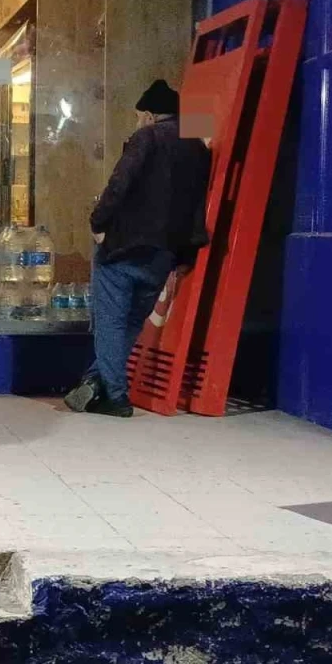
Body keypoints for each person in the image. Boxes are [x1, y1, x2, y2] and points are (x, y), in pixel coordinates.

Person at [64, 79, 212, 418]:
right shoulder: (198, 147)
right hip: (164, 254)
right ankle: (94, 382)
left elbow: (119, 184)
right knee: (131, 323)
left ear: (149, 114)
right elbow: (196, 204)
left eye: (137, 116)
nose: (136, 121)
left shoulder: (147, 138)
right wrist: (186, 254)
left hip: (124, 247)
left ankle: (116, 398)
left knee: (110, 323)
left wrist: (97, 223)